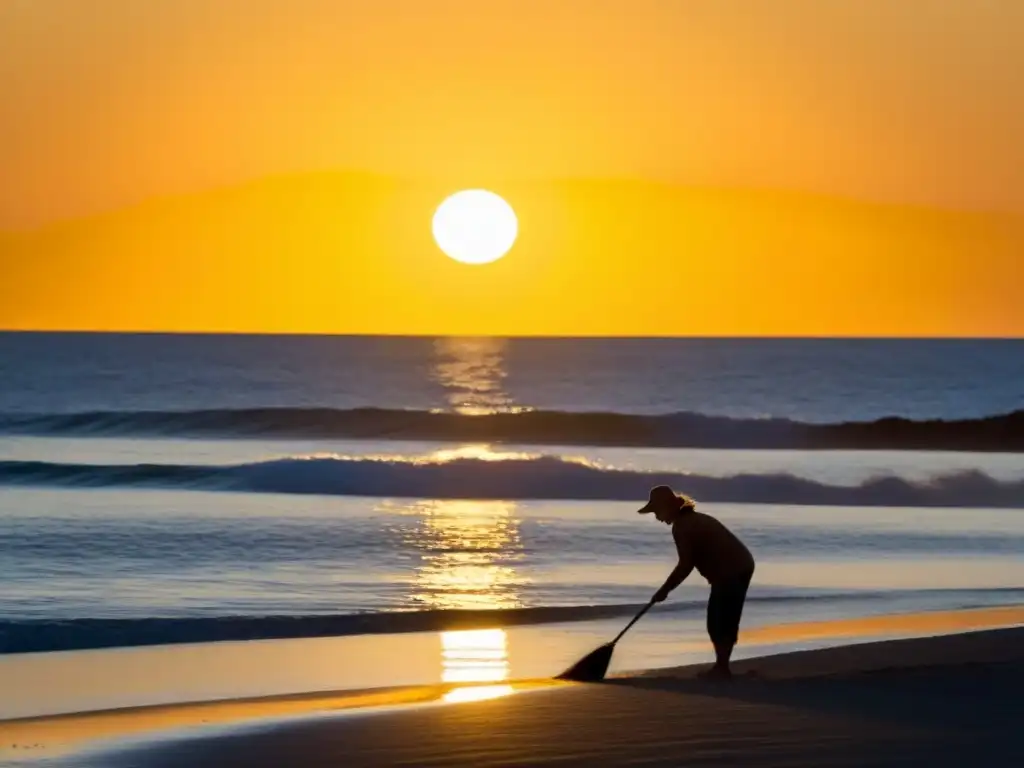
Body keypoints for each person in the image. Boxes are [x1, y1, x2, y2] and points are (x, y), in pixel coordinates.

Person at [639, 485, 755, 679]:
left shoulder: (683, 526)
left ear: (669, 507)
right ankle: (722, 667)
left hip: (732, 570)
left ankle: (722, 669)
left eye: (657, 511)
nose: (657, 517)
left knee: (719, 620)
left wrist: (665, 590)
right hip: (738, 566)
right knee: (720, 619)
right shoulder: (692, 519)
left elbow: (686, 564)